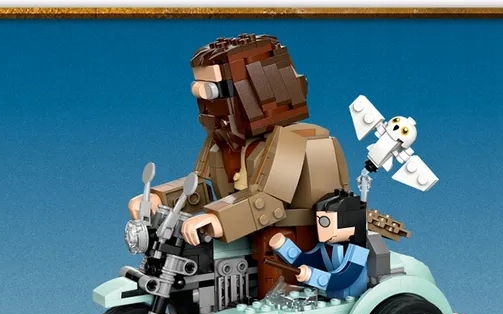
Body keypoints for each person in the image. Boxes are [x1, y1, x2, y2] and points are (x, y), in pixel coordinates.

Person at [127, 33, 350, 296]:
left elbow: (269, 201)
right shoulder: (223, 141)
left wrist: (216, 218)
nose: (206, 104)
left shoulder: (298, 140)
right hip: (244, 229)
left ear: (255, 90)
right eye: (199, 90)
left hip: (293, 242)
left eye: (212, 91)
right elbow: (201, 185)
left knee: (274, 282)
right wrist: (159, 200)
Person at [269, 189, 370, 299]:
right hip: (330, 297)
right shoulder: (326, 246)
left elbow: (343, 279)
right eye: (320, 222)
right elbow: (310, 261)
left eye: (326, 223)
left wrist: (311, 276)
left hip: (350, 298)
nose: (322, 231)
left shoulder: (359, 253)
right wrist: (284, 247)